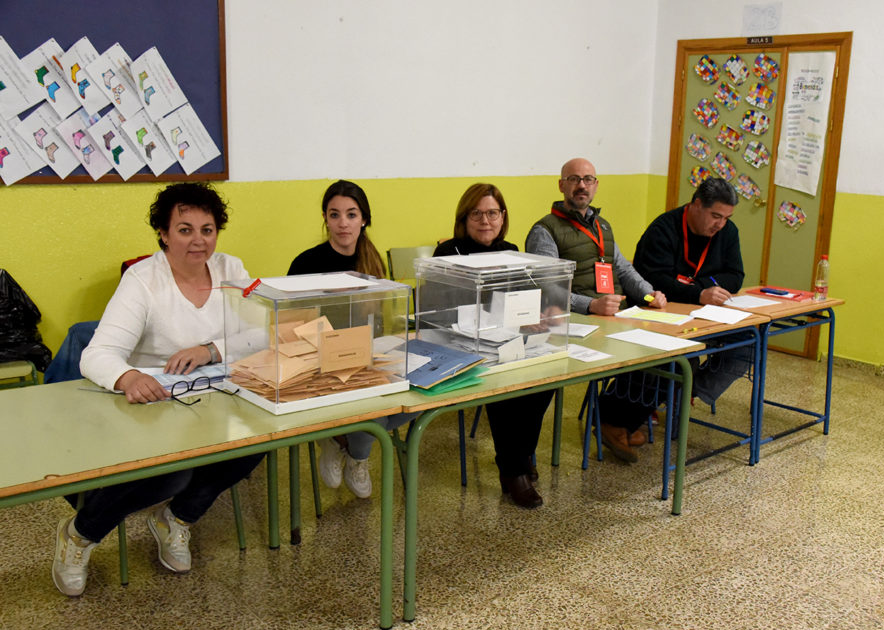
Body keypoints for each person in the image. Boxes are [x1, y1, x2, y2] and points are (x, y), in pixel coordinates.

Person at [56, 182, 265, 597]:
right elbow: (97, 354)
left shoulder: (231, 269)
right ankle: (79, 535)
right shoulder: (143, 280)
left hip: (214, 397)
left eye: (207, 230)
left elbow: (262, 332)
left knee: (259, 437)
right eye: (185, 230)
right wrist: (129, 377)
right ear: (164, 234)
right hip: (151, 404)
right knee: (172, 473)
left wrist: (210, 350)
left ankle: (177, 519)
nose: (198, 241)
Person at [525, 158, 667, 463]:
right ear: (561, 185)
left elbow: (624, 268)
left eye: (588, 179)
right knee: (642, 355)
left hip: (614, 316)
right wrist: (590, 305)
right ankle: (613, 422)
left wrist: (649, 294)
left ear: (596, 185)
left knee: (669, 356)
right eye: (574, 179)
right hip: (576, 321)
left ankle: (618, 422)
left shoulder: (603, 226)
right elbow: (548, 288)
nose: (582, 185)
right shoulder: (545, 230)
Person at [288, 179, 411, 500]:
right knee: (375, 410)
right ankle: (356, 452)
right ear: (325, 219)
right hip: (318, 363)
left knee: (419, 398)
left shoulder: (372, 262)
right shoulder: (305, 263)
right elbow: (291, 327)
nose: (343, 223)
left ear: (364, 219)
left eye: (351, 214)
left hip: (367, 357)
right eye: (335, 214)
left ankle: (343, 443)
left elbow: (382, 323)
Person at [602, 178, 749, 445]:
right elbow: (653, 280)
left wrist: (699, 287)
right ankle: (621, 415)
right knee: (681, 359)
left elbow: (735, 276)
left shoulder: (728, 232)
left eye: (726, 218)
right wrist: (698, 293)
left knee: (746, 345)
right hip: (658, 313)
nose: (720, 224)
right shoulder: (663, 229)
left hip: (705, 315)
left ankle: (683, 392)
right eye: (715, 216)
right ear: (696, 205)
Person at [435, 183, 546, 509]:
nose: (485, 221)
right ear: (464, 218)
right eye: (477, 213)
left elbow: (523, 298)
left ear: (503, 217)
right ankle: (513, 470)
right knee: (502, 383)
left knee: (545, 379)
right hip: (461, 342)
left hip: (506, 339)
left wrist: (533, 316)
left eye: (492, 213)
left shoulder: (510, 250)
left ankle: (522, 454)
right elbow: (440, 309)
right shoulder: (448, 253)